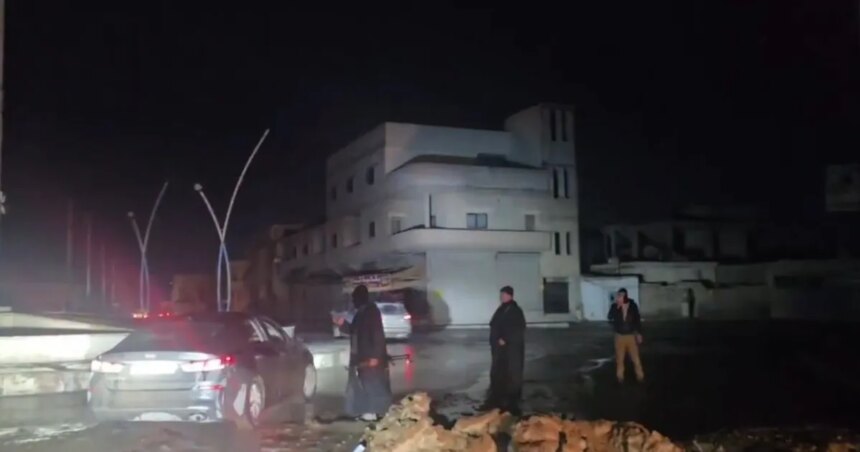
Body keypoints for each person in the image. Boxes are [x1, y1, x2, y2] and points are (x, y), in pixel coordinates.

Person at [334, 285, 392, 421]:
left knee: (372, 385)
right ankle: (361, 411)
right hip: (360, 357)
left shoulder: (371, 312)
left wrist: (375, 356)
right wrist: (342, 324)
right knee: (360, 385)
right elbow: (354, 330)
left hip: (369, 357)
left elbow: (377, 334)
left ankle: (375, 412)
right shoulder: (361, 313)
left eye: (355, 298)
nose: (353, 301)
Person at [487, 285, 526, 415]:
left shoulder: (515, 310)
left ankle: (512, 397)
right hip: (500, 348)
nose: (501, 297)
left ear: (510, 296)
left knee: (511, 371)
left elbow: (517, 329)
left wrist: (505, 339)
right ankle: (499, 393)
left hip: (511, 348)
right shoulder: (502, 309)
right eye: (501, 295)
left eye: (504, 295)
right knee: (500, 370)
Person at [607, 288, 644, 383]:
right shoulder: (614, 306)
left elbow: (637, 320)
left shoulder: (632, 305)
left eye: (622, 295)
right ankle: (620, 377)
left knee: (635, 358)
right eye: (619, 295)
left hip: (631, 336)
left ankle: (640, 376)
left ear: (626, 296)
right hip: (619, 336)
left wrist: (639, 333)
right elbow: (609, 317)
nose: (620, 297)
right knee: (620, 358)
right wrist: (617, 307)